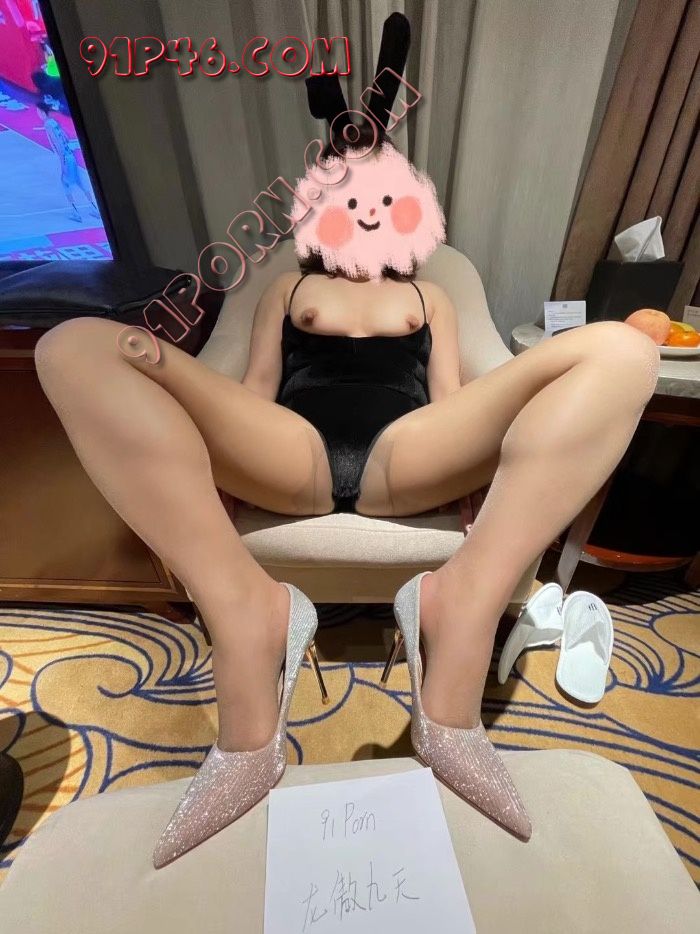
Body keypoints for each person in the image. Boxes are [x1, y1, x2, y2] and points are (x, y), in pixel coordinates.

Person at [33, 14, 660, 867]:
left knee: (625, 351)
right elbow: (251, 396)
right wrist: (186, 397)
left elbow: (453, 401)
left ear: (409, 213)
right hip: (289, 448)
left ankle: (460, 607)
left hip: (410, 451)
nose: (363, 212)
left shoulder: (432, 296)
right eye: (346, 200)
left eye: (381, 201)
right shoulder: (285, 290)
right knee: (68, 345)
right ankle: (248, 612)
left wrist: (484, 470)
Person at [36, 102, 98, 222]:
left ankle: (75, 212)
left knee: (65, 183)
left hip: (65, 157)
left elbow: (57, 143)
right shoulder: (53, 122)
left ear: (42, 112)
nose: (38, 114)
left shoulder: (47, 125)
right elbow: (65, 136)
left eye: (38, 111)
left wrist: (62, 161)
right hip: (70, 155)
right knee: (80, 182)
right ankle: (94, 208)